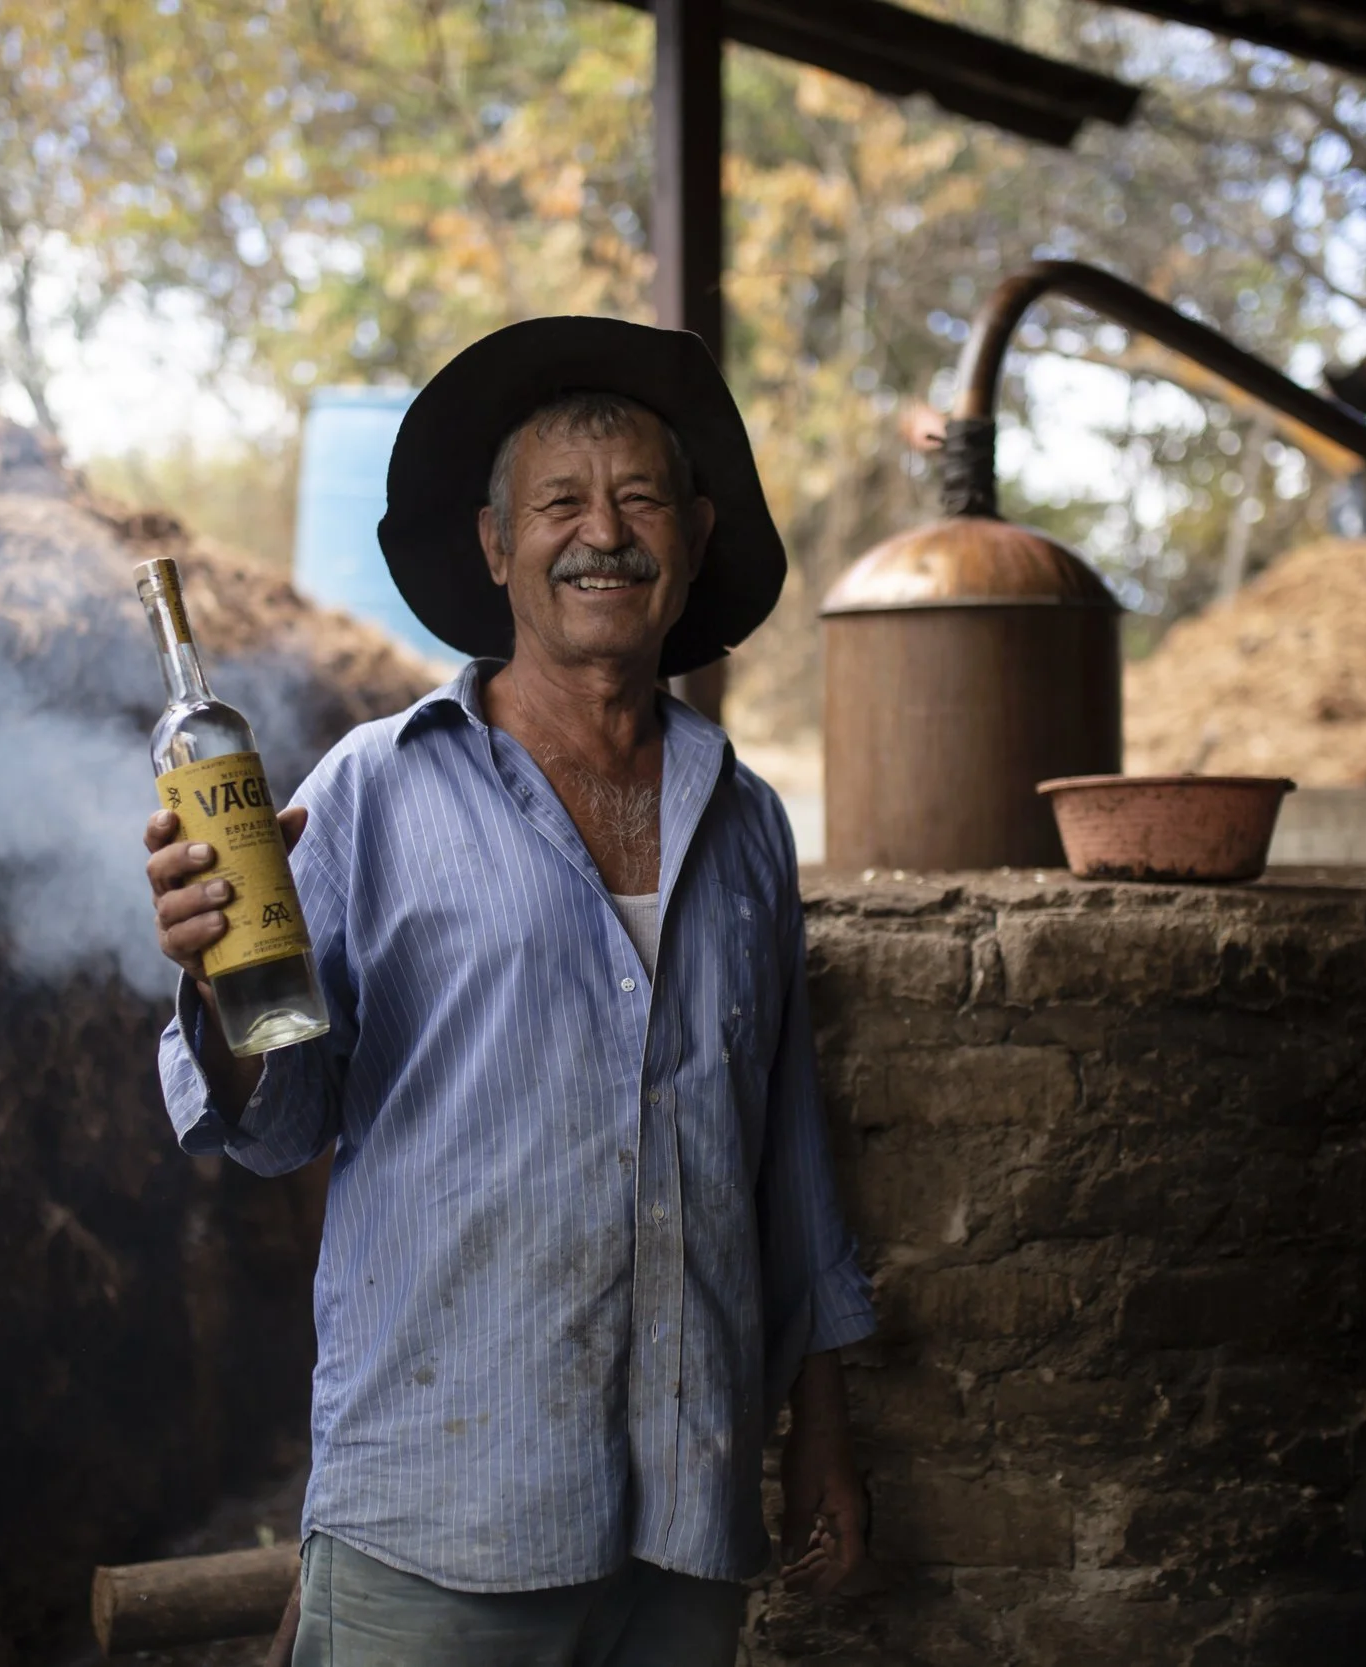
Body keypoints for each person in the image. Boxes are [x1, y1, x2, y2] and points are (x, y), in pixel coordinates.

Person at [145, 317, 875, 1667]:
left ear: (695, 536)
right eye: (559, 504)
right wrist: (216, 974)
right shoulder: (371, 792)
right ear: (495, 546)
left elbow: (784, 1153)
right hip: (441, 1520)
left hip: (687, 1519)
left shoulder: (749, 825)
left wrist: (821, 1427)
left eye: (640, 499)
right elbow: (274, 1122)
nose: (604, 533)